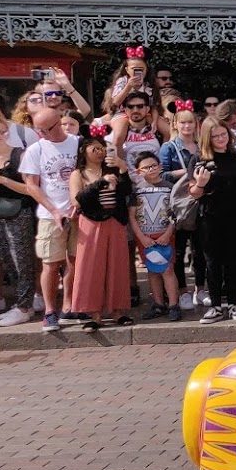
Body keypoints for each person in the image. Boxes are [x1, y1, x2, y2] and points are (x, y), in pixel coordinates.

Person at [19, 107, 78, 333]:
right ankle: (49, 311)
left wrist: (78, 203)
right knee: (51, 264)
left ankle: (68, 305)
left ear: (59, 123)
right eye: (39, 130)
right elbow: (31, 185)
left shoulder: (77, 142)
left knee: (74, 261)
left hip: (77, 213)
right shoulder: (36, 150)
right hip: (49, 215)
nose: (43, 133)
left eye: (47, 129)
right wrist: (54, 211)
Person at [69, 129, 135, 330]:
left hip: (115, 221)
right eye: (95, 148)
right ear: (83, 151)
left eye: (102, 149)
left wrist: (123, 170)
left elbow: (127, 192)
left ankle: (117, 311)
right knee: (90, 268)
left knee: (117, 265)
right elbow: (77, 201)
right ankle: (93, 314)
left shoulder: (112, 170)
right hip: (91, 222)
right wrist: (100, 183)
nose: (100, 152)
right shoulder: (77, 174)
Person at [189, 118, 236, 323]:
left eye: (223, 134)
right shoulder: (199, 159)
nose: (220, 139)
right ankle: (215, 306)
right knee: (212, 262)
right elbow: (194, 194)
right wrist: (200, 184)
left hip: (235, 216)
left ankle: (233, 304)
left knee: (232, 261)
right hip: (209, 218)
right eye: (215, 136)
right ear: (207, 138)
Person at [160, 103, 205, 310]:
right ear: (175, 124)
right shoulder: (169, 147)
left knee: (200, 249)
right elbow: (162, 175)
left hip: (201, 201)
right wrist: (188, 172)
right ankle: (182, 290)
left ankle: (200, 288)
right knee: (178, 250)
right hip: (179, 204)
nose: (187, 126)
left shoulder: (202, 145)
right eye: (183, 122)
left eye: (190, 121)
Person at [0, 92, 38, 326]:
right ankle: (19, 304)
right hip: (0, 215)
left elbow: (30, 188)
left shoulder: (18, 154)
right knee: (8, 260)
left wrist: (4, 181)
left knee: (22, 259)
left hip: (19, 212)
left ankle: (25, 307)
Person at [130, 153, 181, 321]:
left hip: (164, 235)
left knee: (167, 269)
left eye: (154, 165)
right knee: (152, 270)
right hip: (145, 237)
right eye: (146, 167)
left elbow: (176, 213)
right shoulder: (136, 190)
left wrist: (168, 233)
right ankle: (158, 304)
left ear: (160, 166)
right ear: (138, 171)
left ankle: (174, 304)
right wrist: (141, 237)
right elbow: (132, 216)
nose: (151, 169)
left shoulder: (169, 187)